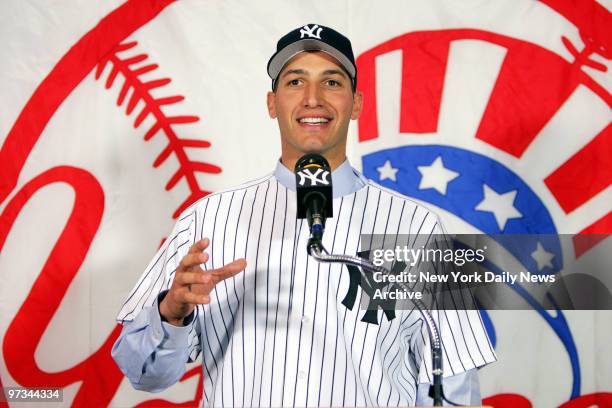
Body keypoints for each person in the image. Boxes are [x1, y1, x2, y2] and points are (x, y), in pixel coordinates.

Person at [112, 23, 496, 407]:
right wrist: (171, 313)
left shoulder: (416, 227)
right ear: (272, 102)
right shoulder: (208, 221)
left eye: (332, 82)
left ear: (357, 103)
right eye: (295, 82)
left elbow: (454, 381)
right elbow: (143, 374)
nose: (313, 99)